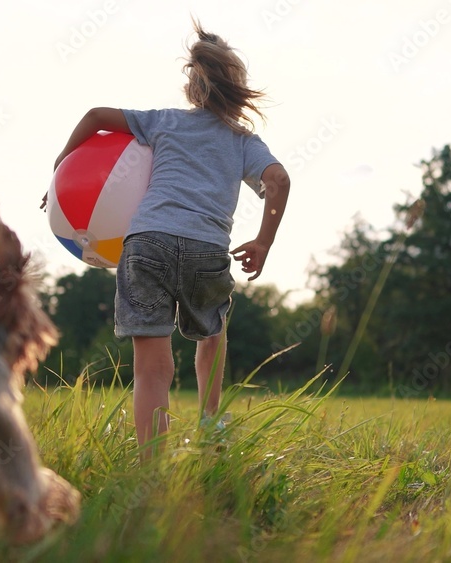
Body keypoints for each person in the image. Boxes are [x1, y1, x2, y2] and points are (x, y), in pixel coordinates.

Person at [50, 21, 290, 457]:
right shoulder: (242, 140)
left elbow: (95, 117)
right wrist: (263, 241)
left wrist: (62, 163)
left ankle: (151, 469)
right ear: (235, 89)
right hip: (206, 249)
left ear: (192, 87)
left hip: (146, 245)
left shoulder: (163, 122)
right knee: (212, 336)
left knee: (152, 369)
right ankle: (210, 426)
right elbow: (278, 180)